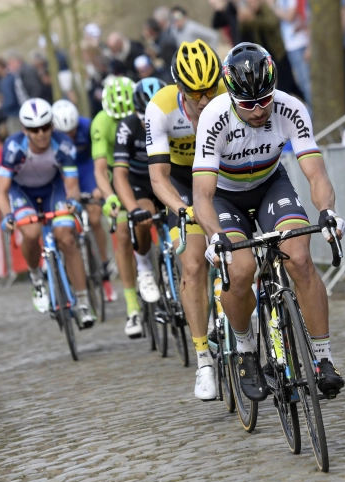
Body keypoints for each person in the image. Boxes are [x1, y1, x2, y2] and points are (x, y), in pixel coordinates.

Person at [192, 42, 345, 401]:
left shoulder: (291, 108)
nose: (260, 110)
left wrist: (326, 212)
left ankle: (323, 359)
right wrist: (215, 235)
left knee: (301, 257)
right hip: (224, 196)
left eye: (265, 99)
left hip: (269, 186)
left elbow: (315, 172)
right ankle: (246, 351)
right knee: (241, 269)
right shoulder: (214, 118)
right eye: (248, 104)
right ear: (232, 98)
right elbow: (201, 195)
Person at [145, 40, 226, 400]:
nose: (205, 100)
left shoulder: (228, 93)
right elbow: (159, 178)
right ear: (180, 89)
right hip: (180, 180)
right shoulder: (160, 108)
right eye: (196, 94)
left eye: (210, 89)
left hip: (223, 177)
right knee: (192, 266)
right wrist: (181, 208)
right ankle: (204, 359)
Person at [0, 98, 95, 327]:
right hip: (21, 191)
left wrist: (73, 202)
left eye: (45, 127)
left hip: (53, 189)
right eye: (33, 129)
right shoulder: (13, 147)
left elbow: (71, 185)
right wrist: (7, 215)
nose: (40, 134)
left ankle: (83, 303)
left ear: (52, 125)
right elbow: (0, 191)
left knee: (67, 238)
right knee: (30, 233)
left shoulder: (64, 145)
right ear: (24, 130)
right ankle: (36, 277)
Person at [91, 76, 144, 334]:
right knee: (123, 234)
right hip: (118, 173)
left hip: (143, 168)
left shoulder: (144, 111)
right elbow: (100, 170)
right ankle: (132, 307)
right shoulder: (101, 122)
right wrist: (109, 195)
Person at [112, 78, 169, 312]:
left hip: (166, 177)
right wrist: (133, 210)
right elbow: (119, 175)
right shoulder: (127, 127)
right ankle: (144, 265)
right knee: (145, 216)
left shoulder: (174, 119)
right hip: (140, 182)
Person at [52, 99, 115, 301]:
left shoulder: (88, 126)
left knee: (95, 217)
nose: (69, 136)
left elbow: (99, 157)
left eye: (72, 131)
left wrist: (99, 186)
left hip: (86, 167)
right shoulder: (50, 135)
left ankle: (104, 265)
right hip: (65, 171)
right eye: (65, 133)